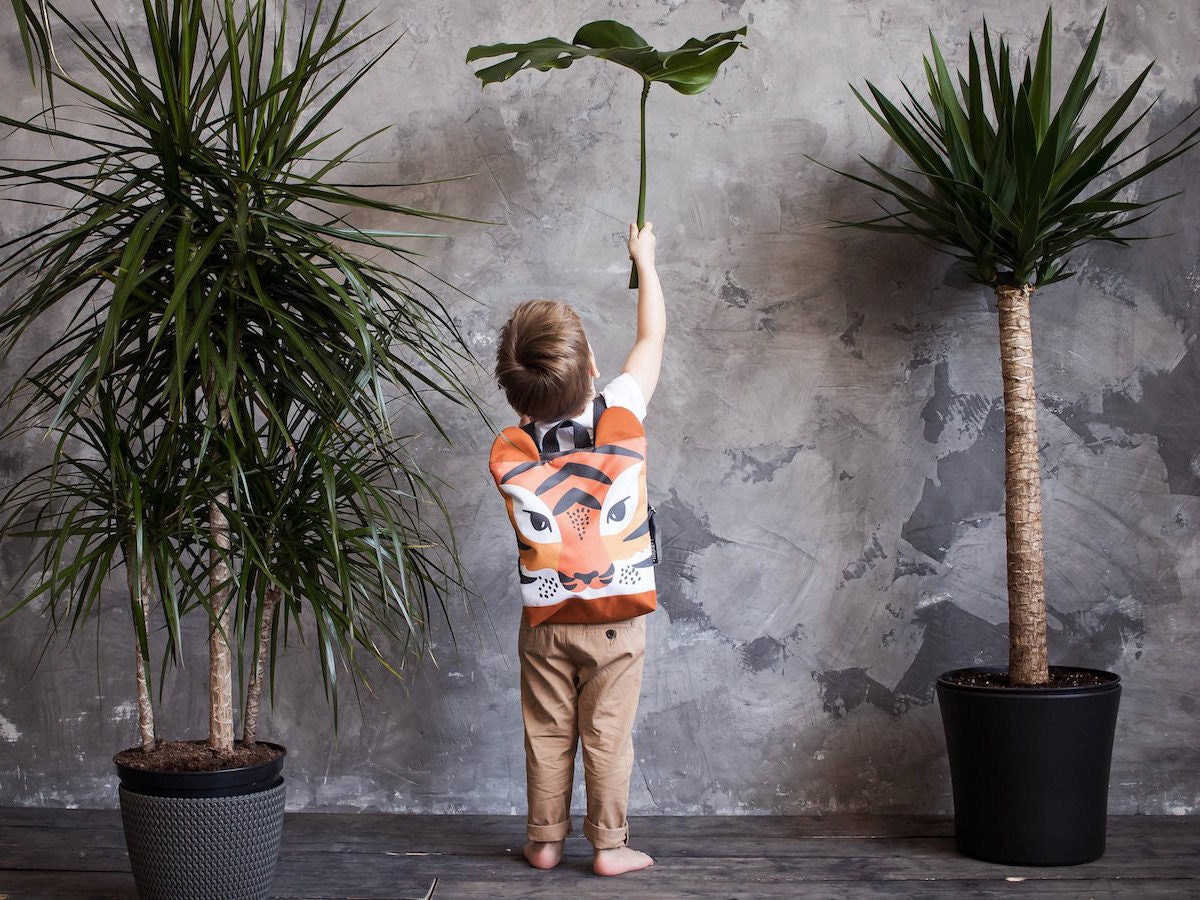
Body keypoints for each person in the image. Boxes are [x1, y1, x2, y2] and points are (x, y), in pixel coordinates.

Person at [489, 222, 664, 877]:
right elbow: (651, 339)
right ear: (592, 369)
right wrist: (643, 260)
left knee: (547, 730)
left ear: (514, 392)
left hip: (547, 618)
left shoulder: (517, 444)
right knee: (607, 734)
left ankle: (544, 841)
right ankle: (610, 847)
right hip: (617, 617)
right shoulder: (619, 407)